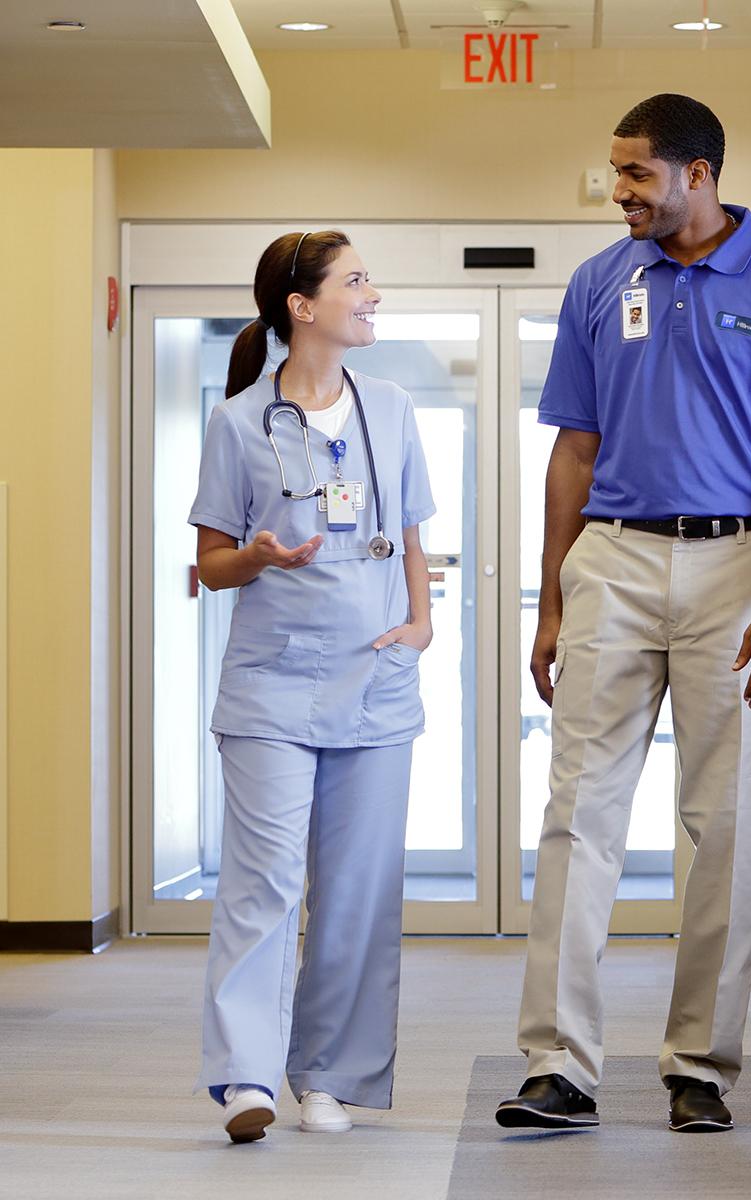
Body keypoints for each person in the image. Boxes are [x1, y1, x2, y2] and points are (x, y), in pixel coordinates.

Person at [495, 94, 751, 1134]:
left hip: (740, 567)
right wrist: (554, 593)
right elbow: (572, 447)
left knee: (729, 827)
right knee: (577, 816)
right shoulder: (601, 284)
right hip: (613, 558)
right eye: (616, 173)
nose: (621, 193)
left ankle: (700, 1065)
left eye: (636, 174)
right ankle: (559, 1064)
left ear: (700, 173)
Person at [189, 230, 436, 1143]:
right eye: (357, 281)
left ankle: (328, 1075)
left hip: (375, 680)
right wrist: (251, 554)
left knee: (358, 892)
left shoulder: (394, 407)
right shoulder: (238, 423)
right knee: (263, 887)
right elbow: (209, 564)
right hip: (272, 689)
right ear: (302, 305)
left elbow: (409, 535)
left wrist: (421, 623)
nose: (373, 294)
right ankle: (246, 1077)